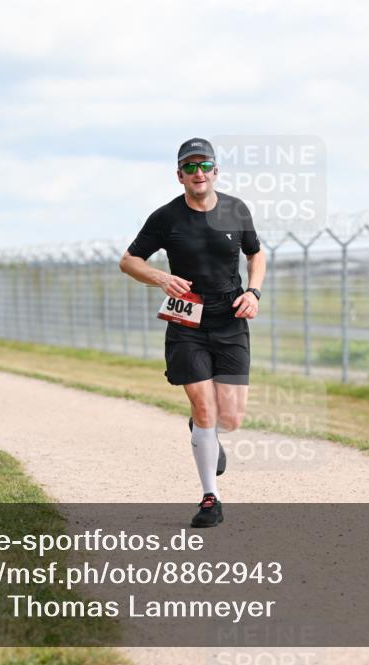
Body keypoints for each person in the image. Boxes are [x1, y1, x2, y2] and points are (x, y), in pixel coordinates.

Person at [120, 138, 266, 528]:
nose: (198, 173)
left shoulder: (236, 209)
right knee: (204, 406)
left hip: (230, 316)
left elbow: (256, 253)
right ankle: (209, 498)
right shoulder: (166, 217)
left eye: (205, 166)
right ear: (179, 174)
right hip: (186, 319)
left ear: (215, 172)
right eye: (190, 167)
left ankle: (205, 430)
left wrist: (253, 291)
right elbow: (129, 261)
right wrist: (159, 277)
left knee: (230, 418)